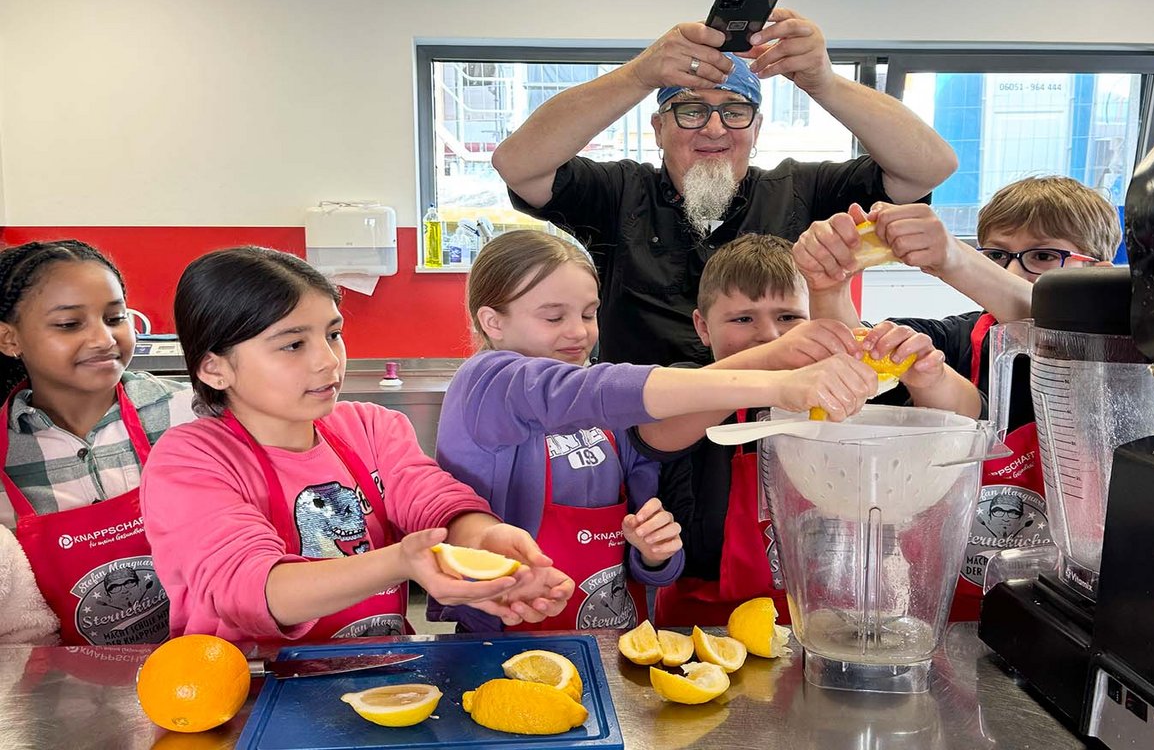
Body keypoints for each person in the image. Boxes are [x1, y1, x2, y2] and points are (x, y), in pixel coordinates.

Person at [433, 230, 883, 631]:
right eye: (554, 318)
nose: (578, 332)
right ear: (493, 322)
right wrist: (777, 374)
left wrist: (655, 554)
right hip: (505, 630)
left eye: (589, 314)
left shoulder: (610, 422)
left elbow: (650, 558)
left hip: (612, 637)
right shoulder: (486, 382)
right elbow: (586, 391)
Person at [140, 247, 574, 642]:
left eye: (333, 334)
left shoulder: (371, 427)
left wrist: (482, 539)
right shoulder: (189, 461)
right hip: (250, 690)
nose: (328, 360)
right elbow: (251, 590)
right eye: (293, 345)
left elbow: (432, 498)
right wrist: (400, 561)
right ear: (215, 369)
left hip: (379, 670)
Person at [491, 7, 958, 367]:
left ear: (756, 130)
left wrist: (825, 83)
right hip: (645, 439)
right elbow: (518, 164)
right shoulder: (619, 193)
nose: (714, 129)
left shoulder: (804, 189)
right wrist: (639, 74)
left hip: (777, 424)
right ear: (658, 129)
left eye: (735, 112)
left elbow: (927, 167)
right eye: (691, 111)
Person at [793, 175, 1121, 618]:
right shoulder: (960, 338)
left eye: (1042, 256)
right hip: (954, 606)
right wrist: (829, 284)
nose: (1010, 272)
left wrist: (952, 258)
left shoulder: (1126, 358)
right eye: (998, 256)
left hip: (1085, 608)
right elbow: (856, 355)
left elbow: (1066, 329)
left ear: (1101, 275)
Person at [633, 234, 981, 627]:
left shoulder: (846, 392)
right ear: (703, 327)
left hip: (830, 617)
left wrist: (926, 376)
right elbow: (656, 429)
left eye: (788, 318)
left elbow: (962, 418)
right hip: (704, 625)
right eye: (743, 319)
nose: (769, 335)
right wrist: (769, 361)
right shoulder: (688, 386)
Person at [0, 240, 193, 646]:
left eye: (115, 317)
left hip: (200, 665)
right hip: (61, 690)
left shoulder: (186, 414)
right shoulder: (5, 454)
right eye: (70, 324)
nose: (104, 339)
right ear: (9, 339)